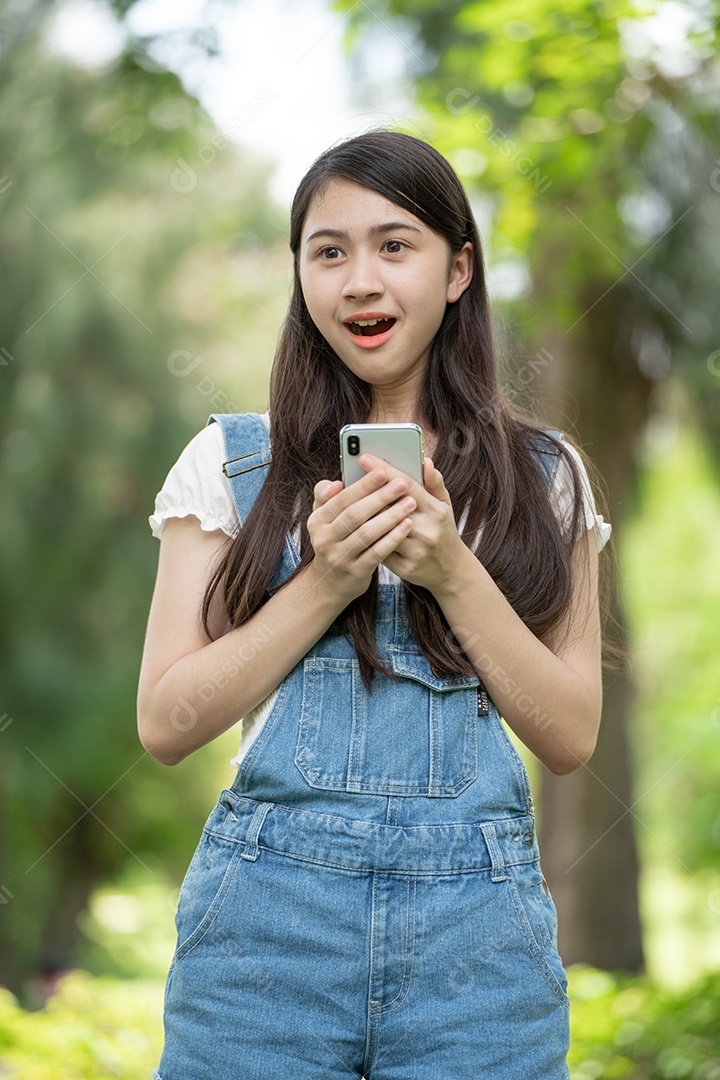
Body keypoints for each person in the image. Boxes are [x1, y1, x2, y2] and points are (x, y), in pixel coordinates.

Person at [138, 129, 611, 1079]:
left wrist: (449, 570)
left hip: (478, 951)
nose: (359, 281)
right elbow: (166, 722)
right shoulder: (231, 463)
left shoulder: (545, 476)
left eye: (395, 246)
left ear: (457, 270)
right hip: (263, 943)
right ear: (300, 275)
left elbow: (570, 739)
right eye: (329, 251)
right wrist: (323, 582)